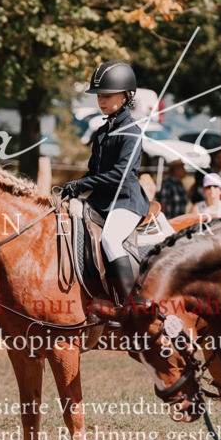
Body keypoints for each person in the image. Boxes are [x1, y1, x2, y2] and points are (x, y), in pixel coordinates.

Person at [61, 60, 149, 310]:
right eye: (99, 95)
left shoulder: (131, 131)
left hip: (126, 201)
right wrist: (75, 191)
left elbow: (120, 175)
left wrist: (80, 184)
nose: (101, 100)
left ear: (125, 96)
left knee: (110, 240)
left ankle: (132, 305)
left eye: (107, 95)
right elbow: (94, 172)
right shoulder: (101, 132)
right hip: (102, 200)